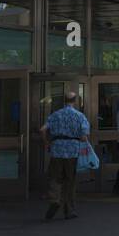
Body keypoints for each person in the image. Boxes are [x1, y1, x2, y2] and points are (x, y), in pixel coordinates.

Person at [40, 91, 90, 220]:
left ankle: (54, 199)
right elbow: (84, 137)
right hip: (72, 151)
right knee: (70, 180)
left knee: (55, 177)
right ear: (75, 101)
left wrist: (46, 143)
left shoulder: (55, 115)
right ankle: (69, 210)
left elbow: (42, 129)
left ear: (64, 100)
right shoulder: (80, 116)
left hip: (57, 149)